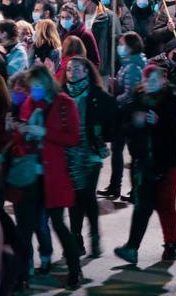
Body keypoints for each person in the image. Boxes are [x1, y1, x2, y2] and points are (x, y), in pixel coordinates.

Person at [9, 64, 83, 289]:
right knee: (24, 229)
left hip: (54, 175)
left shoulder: (64, 104)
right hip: (31, 174)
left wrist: (46, 134)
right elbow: (20, 140)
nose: (35, 90)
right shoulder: (30, 103)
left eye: (39, 86)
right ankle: (21, 275)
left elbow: (72, 137)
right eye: (33, 87)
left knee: (59, 224)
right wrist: (21, 132)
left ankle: (74, 269)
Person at [114, 64, 176, 264]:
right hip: (144, 164)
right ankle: (132, 248)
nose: (151, 84)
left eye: (155, 80)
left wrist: (160, 122)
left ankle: (171, 244)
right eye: (147, 80)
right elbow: (122, 127)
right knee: (143, 205)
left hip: (169, 163)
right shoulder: (136, 101)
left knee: (165, 204)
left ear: (163, 81)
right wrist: (135, 122)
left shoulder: (173, 101)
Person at [60, 56, 117, 258]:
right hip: (69, 153)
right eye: (68, 70)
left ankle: (93, 234)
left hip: (90, 152)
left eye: (76, 69)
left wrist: (102, 133)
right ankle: (77, 238)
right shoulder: (62, 94)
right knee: (75, 197)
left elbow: (113, 114)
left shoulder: (96, 94)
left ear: (86, 72)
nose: (72, 72)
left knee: (87, 195)